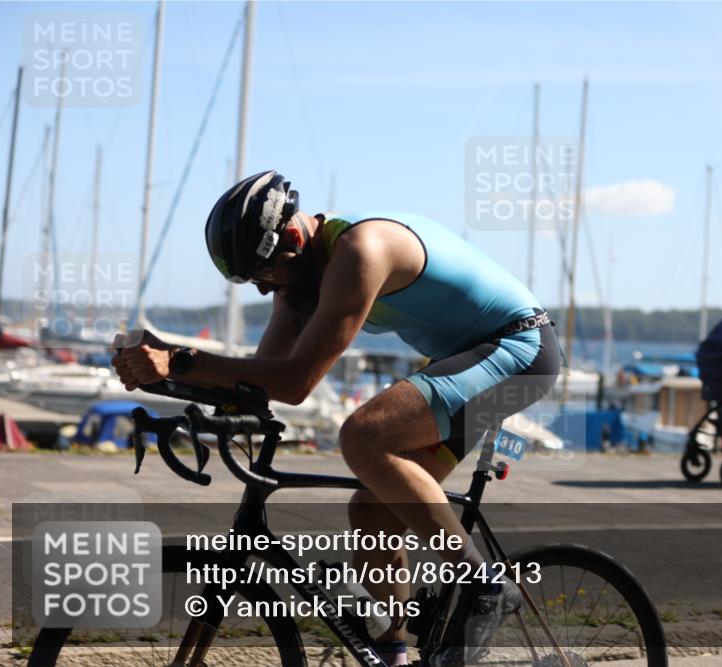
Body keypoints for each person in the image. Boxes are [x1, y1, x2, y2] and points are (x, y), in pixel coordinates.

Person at [111, 171, 561, 665]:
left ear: (293, 238)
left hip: (520, 349)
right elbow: (261, 380)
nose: (264, 291)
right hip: (467, 360)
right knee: (371, 510)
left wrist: (181, 358)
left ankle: (484, 586)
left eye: (264, 275)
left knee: (365, 436)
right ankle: (393, 654)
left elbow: (296, 381)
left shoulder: (360, 251)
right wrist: (165, 381)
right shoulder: (296, 280)